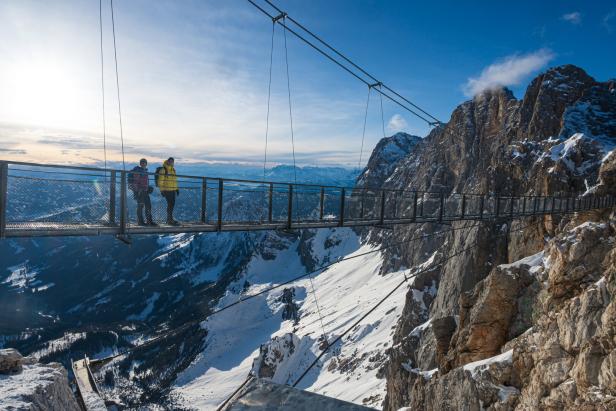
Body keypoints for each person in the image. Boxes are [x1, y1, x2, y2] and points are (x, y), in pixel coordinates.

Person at [128, 158, 156, 226]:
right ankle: (141, 222)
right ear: (140, 164)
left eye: (144, 163)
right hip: (140, 191)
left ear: (146, 164)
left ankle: (148, 221)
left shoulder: (144, 171)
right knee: (141, 206)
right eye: (142, 163)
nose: (143, 164)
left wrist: (148, 187)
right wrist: (138, 190)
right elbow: (136, 182)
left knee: (147, 206)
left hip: (144, 191)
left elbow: (143, 182)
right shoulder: (138, 171)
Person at [156, 157, 180, 225]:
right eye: (170, 161)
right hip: (167, 190)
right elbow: (160, 181)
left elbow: (174, 181)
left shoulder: (173, 170)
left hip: (172, 190)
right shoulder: (164, 169)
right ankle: (169, 220)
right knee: (170, 204)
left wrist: (176, 188)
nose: (171, 162)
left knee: (172, 204)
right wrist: (162, 190)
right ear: (167, 161)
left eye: (172, 161)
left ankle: (170, 219)